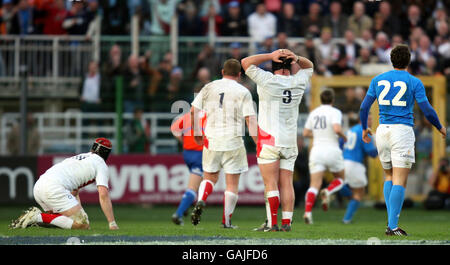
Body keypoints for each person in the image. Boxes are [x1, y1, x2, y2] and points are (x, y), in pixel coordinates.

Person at [359, 44, 446, 236]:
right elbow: (427, 110)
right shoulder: (414, 81)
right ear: (409, 61)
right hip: (402, 132)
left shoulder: (377, 79)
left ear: (391, 60)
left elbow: (364, 108)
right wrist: (439, 126)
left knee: (389, 176)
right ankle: (392, 226)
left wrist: (365, 128)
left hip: (382, 131)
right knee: (399, 180)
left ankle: (390, 224)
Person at [241, 49, 313, 231]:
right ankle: (287, 222)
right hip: (290, 141)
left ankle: (272, 223)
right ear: (290, 66)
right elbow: (309, 65)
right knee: (287, 182)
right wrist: (296, 57)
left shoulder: (267, 79)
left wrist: (268, 55)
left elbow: (245, 62)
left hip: (269, 140)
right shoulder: (299, 80)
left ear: (273, 66)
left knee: (270, 183)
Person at [190, 59, 257, 228]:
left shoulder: (209, 87)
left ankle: (201, 200)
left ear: (222, 72)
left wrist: (197, 133)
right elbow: (250, 120)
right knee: (232, 183)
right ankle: (226, 221)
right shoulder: (243, 91)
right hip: (233, 140)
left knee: (210, 177)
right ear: (239, 75)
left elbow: (193, 111)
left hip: (211, 139)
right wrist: (259, 143)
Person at [10, 138, 119, 230]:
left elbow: (74, 192)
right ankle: (36, 217)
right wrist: (112, 223)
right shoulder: (100, 164)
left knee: (64, 221)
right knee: (83, 224)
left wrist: (79, 212)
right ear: (107, 153)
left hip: (39, 186)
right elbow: (103, 194)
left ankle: (30, 220)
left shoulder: (81, 157)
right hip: (54, 188)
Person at [302, 89, 347, 224]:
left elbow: (305, 133)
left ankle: (308, 212)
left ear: (321, 99)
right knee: (340, 178)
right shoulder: (335, 112)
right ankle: (328, 191)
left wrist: (317, 135)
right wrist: (344, 137)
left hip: (317, 151)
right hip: (332, 149)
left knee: (314, 185)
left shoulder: (314, 113)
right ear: (332, 100)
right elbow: (337, 129)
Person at [170, 107, 206, 225]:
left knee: (199, 182)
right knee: (193, 187)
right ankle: (178, 214)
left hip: (187, 153)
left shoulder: (187, 116)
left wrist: (184, 141)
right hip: (200, 154)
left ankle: (186, 206)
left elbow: (174, 129)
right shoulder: (209, 115)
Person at [340, 114, 378, 224]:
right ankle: (347, 219)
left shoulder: (350, 130)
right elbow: (371, 153)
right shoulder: (364, 131)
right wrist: (381, 148)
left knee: (351, 189)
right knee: (359, 193)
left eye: (371, 119)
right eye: (369, 119)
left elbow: (341, 143)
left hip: (344, 161)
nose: (370, 121)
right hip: (354, 163)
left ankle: (341, 188)